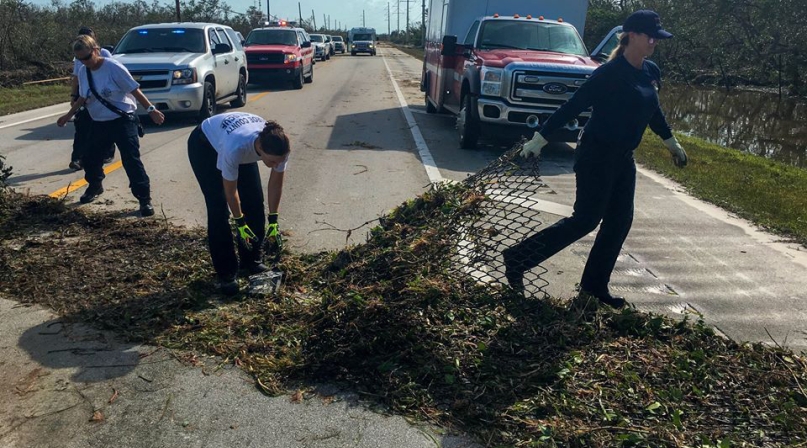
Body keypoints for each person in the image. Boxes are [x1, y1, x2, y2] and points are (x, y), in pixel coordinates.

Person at [502, 10, 688, 309]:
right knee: (586, 219)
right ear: (632, 36)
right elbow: (573, 106)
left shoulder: (650, 71)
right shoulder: (608, 74)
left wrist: (671, 142)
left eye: (658, 37)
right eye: (651, 36)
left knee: (619, 222)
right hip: (596, 154)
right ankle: (517, 259)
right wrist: (540, 138)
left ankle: (593, 287)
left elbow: (653, 110)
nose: (655, 42)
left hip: (623, 157)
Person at [57, 35, 164, 217]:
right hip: (98, 122)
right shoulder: (84, 71)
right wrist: (68, 115)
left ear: (96, 51)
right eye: (80, 59)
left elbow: (134, 90)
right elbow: (83, 96)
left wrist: (151, 109)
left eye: (87, 57)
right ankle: (95, 186)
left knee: (131, 160)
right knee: (90, 158)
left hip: (122, 120)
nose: (85, 62)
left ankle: (144, 199)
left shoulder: (113, 67)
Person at [187, 112, 290, 295]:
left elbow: (275, 183)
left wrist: (273, 218)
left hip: (238, 142)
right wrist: (240, 222)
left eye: (279, 161)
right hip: (205, 146)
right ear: (260, 148)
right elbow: (230, 191)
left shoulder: (281, 147)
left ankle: (251, 261)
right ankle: (226, 274)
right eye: (272, 161)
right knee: (218, 209)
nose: (276, 164)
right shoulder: (236, 148)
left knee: (255, 202)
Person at [68, 26, 115, 170]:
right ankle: (77, 158)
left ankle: (108, 152)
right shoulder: (79, 56)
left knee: (106, 125)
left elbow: (112, 73)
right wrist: (73, 96)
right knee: (81, 126)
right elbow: (77, 77)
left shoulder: (105, 54)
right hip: (85, 95)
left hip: (103, 96)